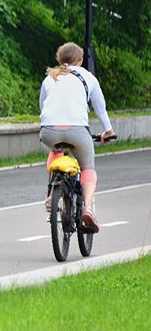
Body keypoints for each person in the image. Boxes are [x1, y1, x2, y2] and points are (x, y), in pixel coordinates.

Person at [39, 42, 114, 233]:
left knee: (56, 150)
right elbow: (100, 109)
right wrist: (108, 131)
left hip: (49, 131)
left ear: (59, 59)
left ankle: (50, 193)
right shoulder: (88, 77)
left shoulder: (50, 78)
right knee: (88, 168)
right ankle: (88, 208)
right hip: (78, 130)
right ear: (80, 61)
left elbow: (43, 106)